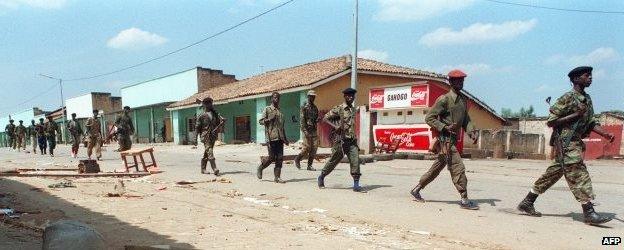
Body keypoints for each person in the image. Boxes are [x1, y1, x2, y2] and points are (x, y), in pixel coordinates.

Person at [516, 66, 615, 225]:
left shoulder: (587, 99)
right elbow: (551, 121)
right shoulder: (567, 98)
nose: (590, 77)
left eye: (591, 75)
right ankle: (589, 212)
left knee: (553, 173)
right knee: (579, 173)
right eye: (586, 75)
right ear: (576, 79)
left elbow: (590, 123)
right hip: (566, 142)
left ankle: (527, 202)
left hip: (575, 142)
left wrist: (605, 134)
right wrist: (576, 114)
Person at [410, 69, 480, 210]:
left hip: (452, 141)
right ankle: (464, 199)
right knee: (458, 168)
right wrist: (443, 127)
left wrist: (471, 132)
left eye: (462, 80)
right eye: (457, 80)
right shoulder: (444, 99)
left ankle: (416, 189)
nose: (460, 83)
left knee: (436, 169)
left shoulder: (462, 100)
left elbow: (466, 119)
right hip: (445, 141)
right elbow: (429, 117)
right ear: (450, 82)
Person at [317, 87, 364, 192]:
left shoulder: (352, 109)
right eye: (349, 96)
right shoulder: (339, 108)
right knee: (333, 161)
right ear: (345, 96)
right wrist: (335, 126)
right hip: (341, 141)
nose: (351, 97)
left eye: (353, 96)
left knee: (355, 161)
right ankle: (321, 177)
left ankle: (356, 185)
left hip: (351, 141)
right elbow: (325, 118)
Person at [257, 92, 289, 183]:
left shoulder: (280, 112)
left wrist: (285, 139)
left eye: (278, 98)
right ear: (271, 99)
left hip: (280, 139)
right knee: (271, 157)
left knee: (280, 158)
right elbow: (261, 121)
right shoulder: (267, 109)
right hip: (271, 138)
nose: (276, 99)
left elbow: (282, 127)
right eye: (275, 97)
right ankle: (261, 167)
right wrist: (269, 119)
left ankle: (277, 177)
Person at [196, 97, 225, 176]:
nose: (211, 105)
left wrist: (222, 122)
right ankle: (214, 168)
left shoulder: (215, 114)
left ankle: (203, 169)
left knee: (207, 152)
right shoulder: (201, 116)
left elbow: (219, 123)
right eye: (210, 103)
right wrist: (195, 139)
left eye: (212, 103)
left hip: (213, 135)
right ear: (205, 105)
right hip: (205, 136)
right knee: (210, 151)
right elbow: (197, 128)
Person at [294, 90, 320, 171]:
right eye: (311, 96)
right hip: (306, 130)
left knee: (314, 147)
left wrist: (317, 120)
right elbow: (302, 120)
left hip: (314, 129)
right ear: (308, 96)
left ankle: (309, 165)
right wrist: (304, 131)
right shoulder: (304, 106)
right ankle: (298, 158)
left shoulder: (315, 108)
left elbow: (315, 119)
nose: (313, 97)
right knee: (307, 148)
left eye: (314, 96)